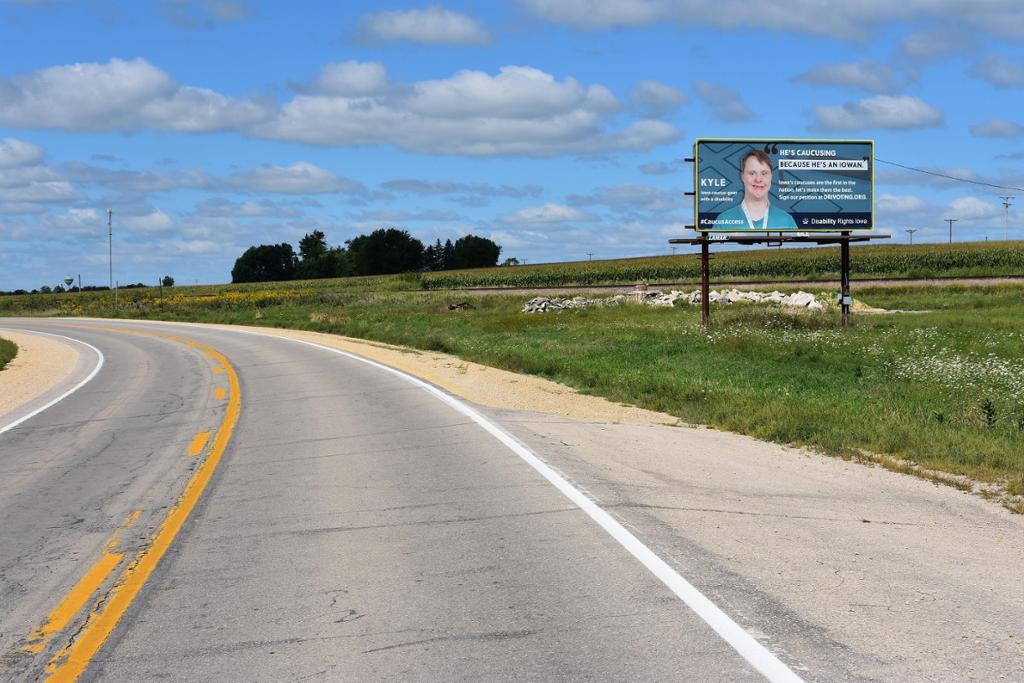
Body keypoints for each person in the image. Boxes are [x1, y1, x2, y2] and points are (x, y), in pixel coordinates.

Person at [713, 149, 797, 230]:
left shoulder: (787, 221)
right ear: (742, 176)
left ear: (771, 176)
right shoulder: (723, 221)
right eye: (752, 173)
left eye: (764, 173)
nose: (758, 179)